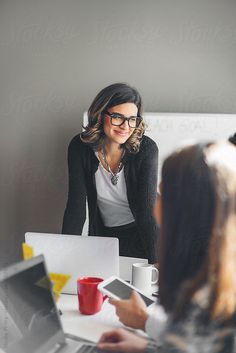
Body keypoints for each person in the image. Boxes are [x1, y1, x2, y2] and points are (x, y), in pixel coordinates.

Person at [97, 141, 236, 353]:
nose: (155, 203)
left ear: (184, 209)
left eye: (163, 192)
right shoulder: (218, 281)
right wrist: (145, 342)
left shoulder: (202, 298)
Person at [62, 83, 159, 263]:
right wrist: (62, 257)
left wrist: (158, 264)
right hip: (104, 236)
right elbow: (76, 207)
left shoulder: (146, 149)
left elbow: (148, 213)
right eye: (117, 117)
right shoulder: (79, 147)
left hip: (144, 235)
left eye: (132, 119)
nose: (125, 126)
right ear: (100, 115)